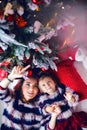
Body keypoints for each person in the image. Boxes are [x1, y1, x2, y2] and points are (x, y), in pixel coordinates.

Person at [0, 65, 44, 130]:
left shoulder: (41, 105)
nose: (31, 89)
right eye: (27, 84)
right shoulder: (13, 98)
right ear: (21, 86)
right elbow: (1, 91)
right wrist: (10, 77)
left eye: (36, 86)